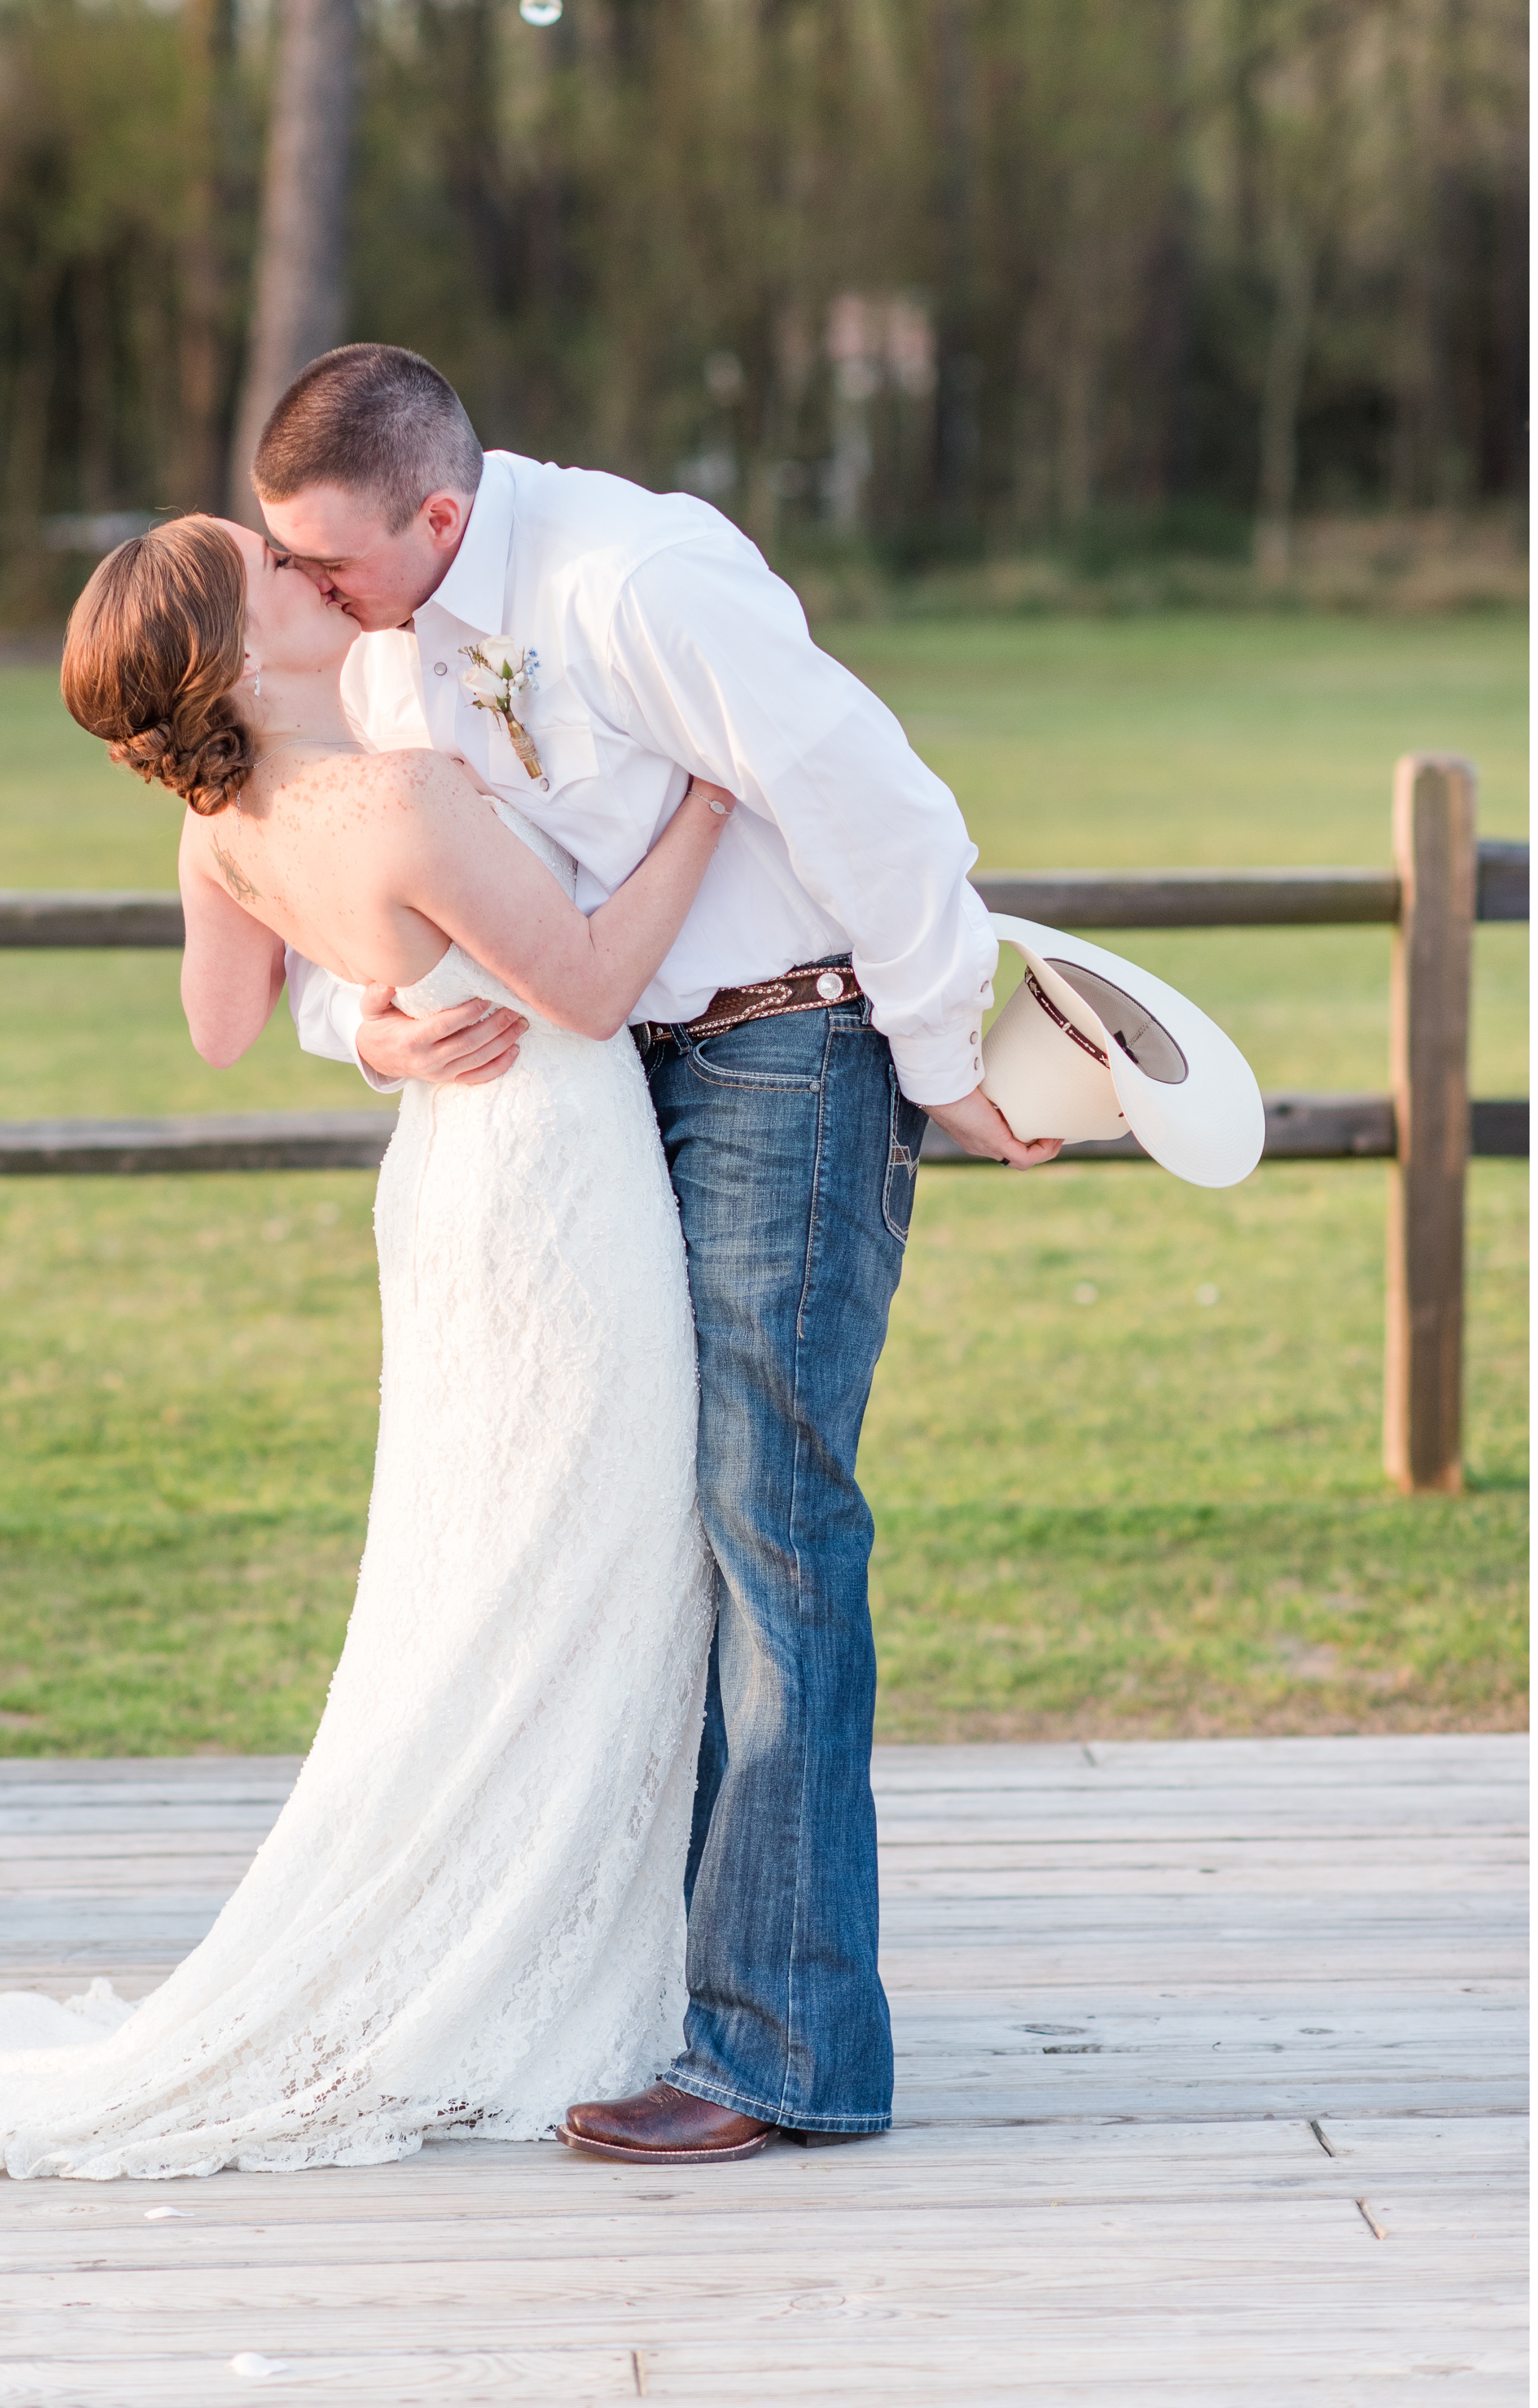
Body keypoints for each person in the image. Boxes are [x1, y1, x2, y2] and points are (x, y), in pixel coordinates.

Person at [0, 513, 738, 2179]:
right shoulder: (405, 795)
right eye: (272, 572)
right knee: (592, 1553)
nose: (309, 573)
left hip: (448, 1187)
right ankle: (534, 1966)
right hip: (559, 1181)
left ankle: (527, 1944)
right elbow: (581, 982)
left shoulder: (218, 827)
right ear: (233, 648)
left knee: (487, 1560)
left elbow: (223, 1026)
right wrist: (712, 802)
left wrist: (366, 1016)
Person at [230, 345, 1059, 2166]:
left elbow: (878, 805)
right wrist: (364, 1037)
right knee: (631, 1521)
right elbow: (338, 909)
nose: (302, 595)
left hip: (796, 1040)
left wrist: (938, 1063)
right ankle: (643, 1998)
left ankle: (788, 2053)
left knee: (769, 1511)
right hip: (611, 1085)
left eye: (329, 560)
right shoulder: (387, 645)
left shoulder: (636, 581)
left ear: (438, 516)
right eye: (288, 564)